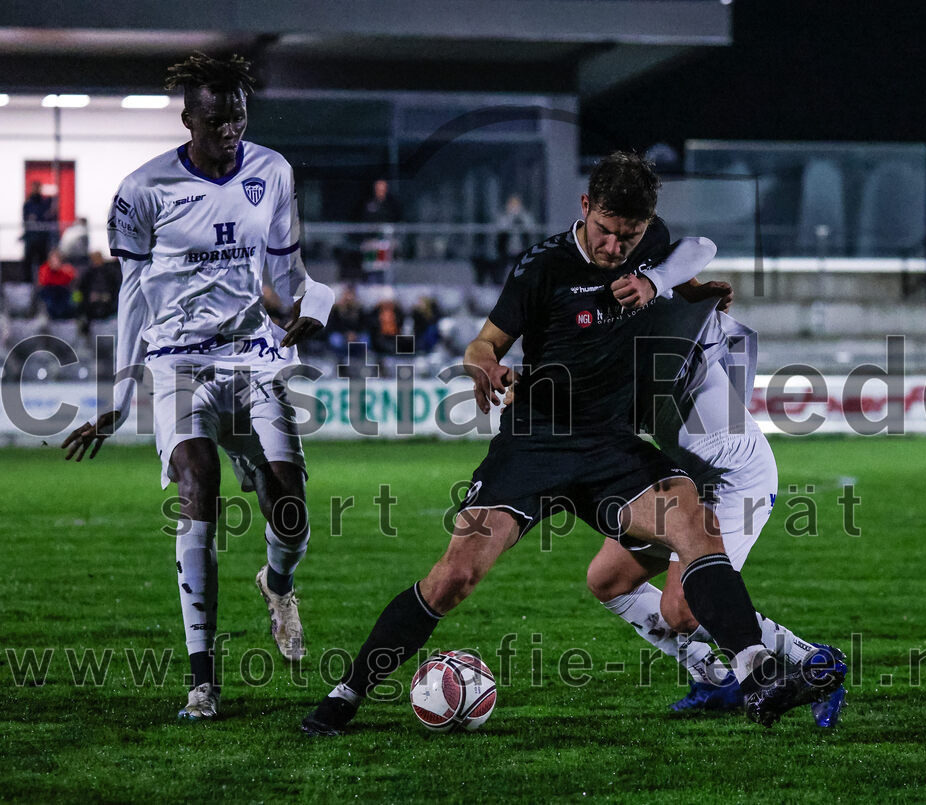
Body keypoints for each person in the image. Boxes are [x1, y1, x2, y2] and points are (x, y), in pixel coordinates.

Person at [301, 152, 845, 735]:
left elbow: (690, 252)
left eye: (629, 236)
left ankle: (754, 672)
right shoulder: (542, 269)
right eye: (606, 232)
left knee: (692, 522)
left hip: (609, 445)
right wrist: (486, 369)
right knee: (455, 575)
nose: (616, 247)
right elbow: (483, 345)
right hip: (534, 444)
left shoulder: (646, 245)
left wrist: (679, 286)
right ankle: (346, 693)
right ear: (585, 207)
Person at [60, 53, 333, 721]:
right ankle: (203, 678)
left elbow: (292, 273)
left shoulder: (272, 172)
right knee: (197, 483)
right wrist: (119, 397)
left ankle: (279, 583)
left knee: (289, 509)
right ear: (188, 119)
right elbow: (131, 297)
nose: (231, 128)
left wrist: (314, 308)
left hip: (255, 359)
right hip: (177, 364)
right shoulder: (141, 190)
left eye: (239, 115)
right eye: (216, 119)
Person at [586, 281, 848, 727]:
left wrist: (694, 292)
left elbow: (695, 253)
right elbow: (741, 336)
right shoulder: (628, 345)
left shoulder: (653, 337)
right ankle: (714, 678)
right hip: (685, 477)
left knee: (681, 609)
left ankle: (815, 663)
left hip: (737, 480)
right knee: (608, 580)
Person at [78, 251, 122, 333]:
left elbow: (117, 291)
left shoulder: (110, 273)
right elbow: (80, 292)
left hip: (110, 314)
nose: (96, 262)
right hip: (91, 315)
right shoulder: (87, 274)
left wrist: (109, 301)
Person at [22, 181, 56, 282]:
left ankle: (43, 282)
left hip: (42, 238)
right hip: (31, 238)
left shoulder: (45, 202)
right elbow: (26, 219)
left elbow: (47, 216)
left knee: (43, 263)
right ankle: (28, 284)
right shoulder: (28, 204)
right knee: (28, 263)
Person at [37, 247, 77, 320]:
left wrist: (59, 271)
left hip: (63, 292)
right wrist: (53, 271)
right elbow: (44, 281)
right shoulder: (45, 268)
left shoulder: (66, 268)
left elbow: (70, 278)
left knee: (73, 299)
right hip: (50, 292)